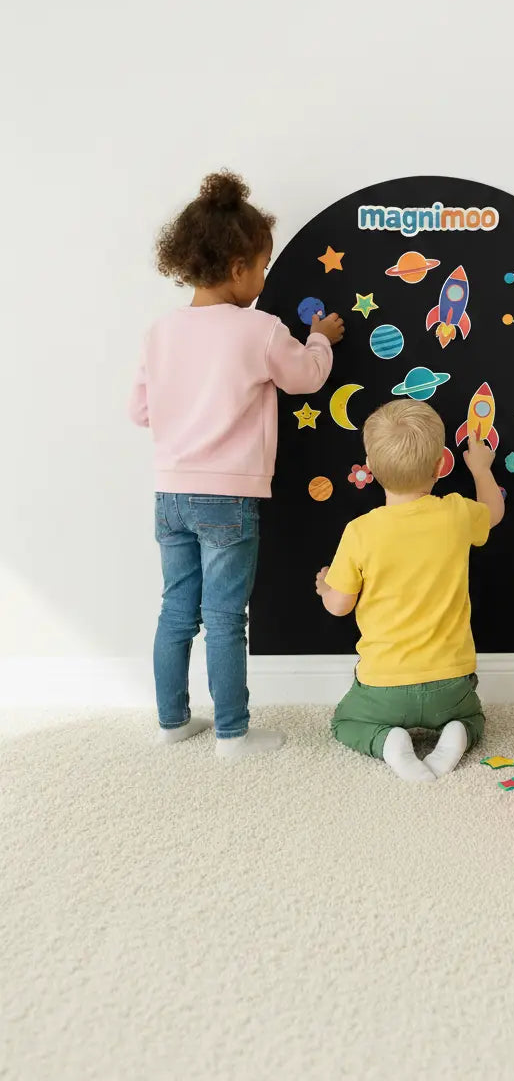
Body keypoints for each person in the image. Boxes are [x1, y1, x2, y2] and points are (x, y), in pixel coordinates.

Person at [129, 170, 343, 759]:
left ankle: (172, 721)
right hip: (227, 498)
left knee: (177, 610)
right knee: (225, 617)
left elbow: (139, 411)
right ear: (237, 267)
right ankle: (232, 733)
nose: (265, 278)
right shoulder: (261, 329)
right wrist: (320, 338)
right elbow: (306, 378)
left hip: (170, 495)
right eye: (264, 266)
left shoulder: (160, 331)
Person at [316, 400, 504, 782]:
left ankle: (387, 740)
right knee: (475, 718)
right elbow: (494, 512)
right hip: (451, 685)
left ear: (370, 467)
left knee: (345, 722)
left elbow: (339, 606)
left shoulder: (360, 532)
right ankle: (458, 730)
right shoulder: (456, 513)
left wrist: (325, 586)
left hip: (383, 686)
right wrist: (481, 469)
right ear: (440, 466)